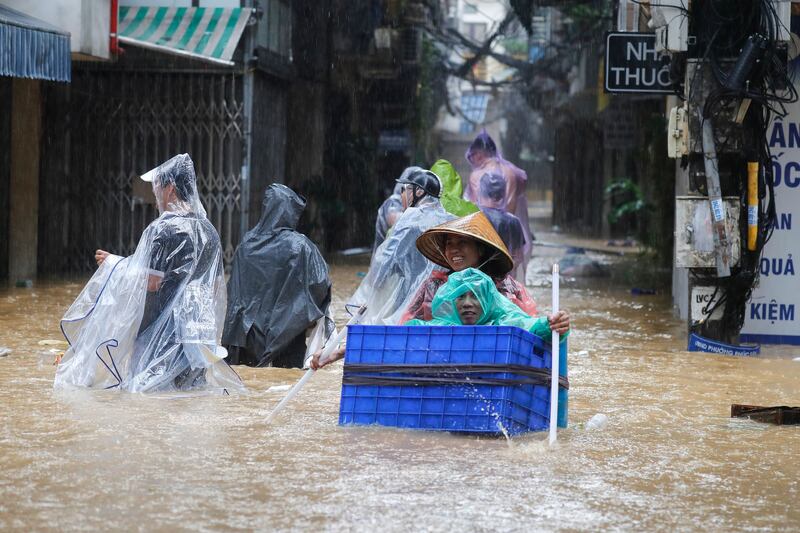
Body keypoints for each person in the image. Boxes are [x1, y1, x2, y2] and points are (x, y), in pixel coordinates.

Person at [55, 154, 244, 394]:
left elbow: (152, 281)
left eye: (157, 189)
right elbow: (216, 287)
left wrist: (115, 264)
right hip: (197, 338)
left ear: (170, 189)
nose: (155, 198)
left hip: (158, 334)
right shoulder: (210, 231)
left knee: (151, 397)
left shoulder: (162, 229)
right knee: (189, 396)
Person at [222, 184, 332, 368]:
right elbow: (320, 285)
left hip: (247, 338)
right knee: (284, 383)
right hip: (287, 337)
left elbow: (234, 294)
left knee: (251, 386)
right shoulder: (300, 246)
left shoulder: (246, 245)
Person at [348, 168, 455, 327]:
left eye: (404, 190)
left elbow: (386, 258)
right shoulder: (451, 219)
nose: (402, 196)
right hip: (443, 296)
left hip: (409, 295)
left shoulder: (411, 215)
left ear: (418, 192)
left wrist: (372, 289)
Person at [401, 210, 542, 323]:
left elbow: (526, 323)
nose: (454, 249)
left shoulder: (503, 285)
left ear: (480, 249)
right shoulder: (433, 286)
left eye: (462, 242)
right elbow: (408, 326)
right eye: (449, 244)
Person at [405, 268, 570, 340]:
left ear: (489, 301)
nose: (467, 304)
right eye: (461, 297)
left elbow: (529, 325)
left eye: (475, 296)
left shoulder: (502, 322)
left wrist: (552, 324)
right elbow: (410, 330)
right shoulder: (442, 326)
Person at [464, 130, 533, 279]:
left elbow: (475, 207)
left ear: (478, 155)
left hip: (483, 231)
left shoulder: (476, 175)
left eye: (472, 157)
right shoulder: (510, 172)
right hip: (508, 230)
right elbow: (512, 206)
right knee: (509, 275)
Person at [478, 171, 526, 275]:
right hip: (504, 279)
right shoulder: (513, 221)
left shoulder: (474, 216)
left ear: (481, 191)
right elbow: (518, 257)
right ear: (504, 193)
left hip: (477, 279)